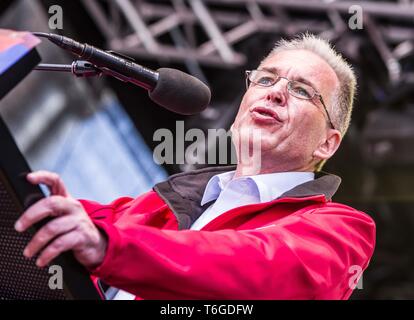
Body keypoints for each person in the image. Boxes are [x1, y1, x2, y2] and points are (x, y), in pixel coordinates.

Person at [14, 33, 376, 300]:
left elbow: (257, 270)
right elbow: (40, 222)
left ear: (327, 142)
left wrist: (110, 247)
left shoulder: (342, 231)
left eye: (301, 90)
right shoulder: (159, 203)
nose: (274, 92)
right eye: (265, 78)